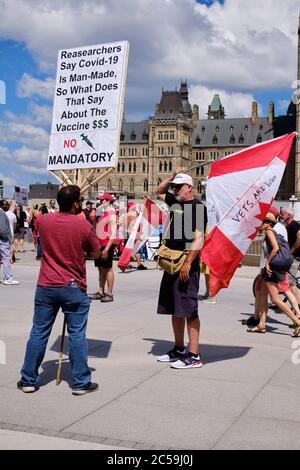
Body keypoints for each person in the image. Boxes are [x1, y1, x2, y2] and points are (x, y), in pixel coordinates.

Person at [17, 185, 101, 395]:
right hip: (73, 285)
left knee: (39, 332)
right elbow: (96, 253)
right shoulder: (83, 226)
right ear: (76, 204)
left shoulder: (45, 220)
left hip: (47, 284)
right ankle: (80, 382)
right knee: (77, 335)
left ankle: (28, 379)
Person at [155, 169, 206, 369]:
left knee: (189, 309)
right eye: (174, 187)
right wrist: (172, 177)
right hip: (171, 262)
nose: (175, 190)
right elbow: (158, 191)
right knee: (174, 308)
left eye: (179, 186)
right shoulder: (175, 203)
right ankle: (179, 349)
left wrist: (188, 263)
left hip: (186, 264)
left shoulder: (197, 207)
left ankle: (194, 355)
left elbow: (199, 237)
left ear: (189, 187)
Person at [247, 212, 300, 337]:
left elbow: (275, 248)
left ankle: (297, 322)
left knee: (275, 300)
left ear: (270, 223)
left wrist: (267, 262)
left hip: (273, 268)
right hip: (273, 268)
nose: (262, 223)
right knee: (263, 295)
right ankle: (261, 324)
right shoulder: (271, 232)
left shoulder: (270, 232)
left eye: (264, 221)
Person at [89, 193, 117, 302]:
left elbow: (113, 233)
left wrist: (107, 248)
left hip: (106, 244)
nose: (101, 202)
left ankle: (109, 293)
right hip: (98, 243)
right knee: (100, 269)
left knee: (108, 268)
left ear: (108, 201)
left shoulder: (112, 214)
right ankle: (100, 291)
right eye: (100, 201)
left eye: (103, 200)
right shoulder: (100, 213)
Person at [280, 207, 300, 306]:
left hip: (296, 256)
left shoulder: (294, 225)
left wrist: (292, 251)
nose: (281, 214)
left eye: (283, 213)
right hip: (290, 256)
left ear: (289, 215)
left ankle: (297, 306)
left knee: (291, 282)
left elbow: (299, 238)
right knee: (287, 279)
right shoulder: (286, 226)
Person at [0, 199, 19, 285]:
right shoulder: (1, 213)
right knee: (6, 258)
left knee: (2, 259)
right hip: (3, 239)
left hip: (2, 239)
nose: (7, 206)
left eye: (8, 204)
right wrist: (7, 238)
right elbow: (2, 229)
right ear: (1, 205)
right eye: (5, 205)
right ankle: (8, 278)